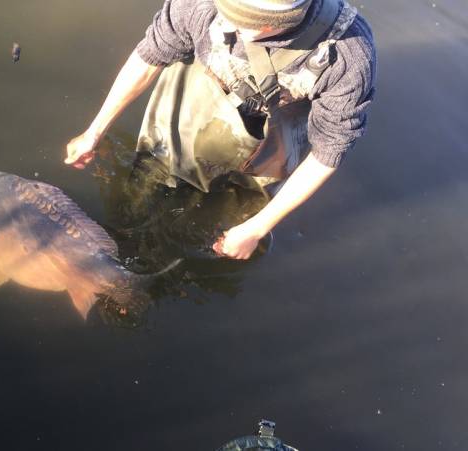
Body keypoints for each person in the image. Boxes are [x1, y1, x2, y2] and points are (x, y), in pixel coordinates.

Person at [64, 0, 376, 260]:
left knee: (241, 209)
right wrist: (95, 130)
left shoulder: (348, 54)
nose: (229, 24)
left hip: (277, 123)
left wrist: (256, 228)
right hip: (198, 96)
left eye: (247, 23)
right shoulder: (201, 4)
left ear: (286, 20)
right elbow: (149, 57)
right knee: (145, 182)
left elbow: (327, 153)